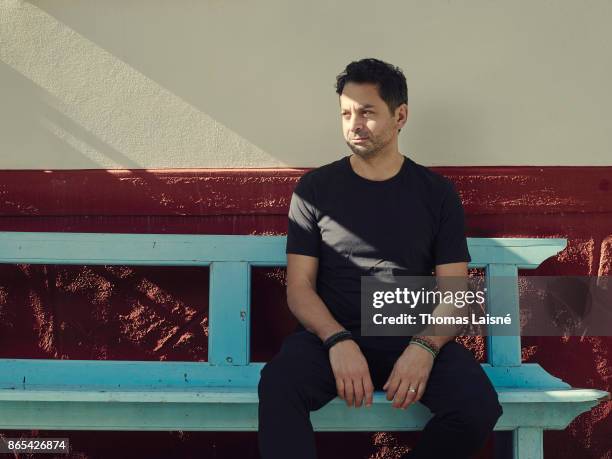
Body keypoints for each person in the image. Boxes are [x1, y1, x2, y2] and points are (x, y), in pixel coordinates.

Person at [257, 58, 503, 459]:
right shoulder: (314, 190)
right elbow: (299, 289)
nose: (354, 124)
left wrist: (424, 348)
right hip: (329, 339)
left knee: (477, 406)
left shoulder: (437, 194)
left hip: (410, 338)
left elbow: (454, 293)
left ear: (400, 115)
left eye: (367, 112)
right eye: (346, 113)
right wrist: (337, 340)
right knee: (279, 384)